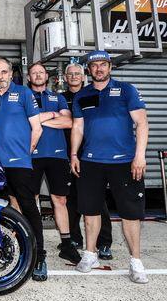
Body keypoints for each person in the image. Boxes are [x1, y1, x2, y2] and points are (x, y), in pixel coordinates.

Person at [70, 51, 149, 283]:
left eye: (103, 64)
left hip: (124, 162)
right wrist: (74, 154)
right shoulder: (82, 95)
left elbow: (142, 123)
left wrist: (140, 156)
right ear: (89, 69)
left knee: (130, 214)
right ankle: (90, 254)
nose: (99, 68)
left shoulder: (126, 90)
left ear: (110, 67)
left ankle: (136, 262)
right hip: (91, 162)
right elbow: (77, 127)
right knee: (90, 211)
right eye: (94, 65)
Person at [0, 57, 47, 281]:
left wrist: (26, 152)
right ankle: (1, 252)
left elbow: (37, 128)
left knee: (29, 209)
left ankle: (39, 257)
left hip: (19, 163)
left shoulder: (24, 93)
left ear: (11, 74)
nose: (0, 76)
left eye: (4, 72)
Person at [27, 62, 81, 264]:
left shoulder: (57, 98)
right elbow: (22, 122)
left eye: (41, 72)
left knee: (60, 200)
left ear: (46, 76)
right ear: (29, 77)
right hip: (30, 156)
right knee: (31, 200)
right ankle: (33, 243)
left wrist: (38, 120)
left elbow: (68, 122)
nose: (38, 75)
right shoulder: (24, 96)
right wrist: (53, 115)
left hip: (57, 156)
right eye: (34, 73)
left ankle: (66, 245)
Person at [62, 63, 113, 258]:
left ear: (83, 76)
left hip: (92, 154)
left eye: (77, 73)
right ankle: (75, 238)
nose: (74, 76)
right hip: (69, 154)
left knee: (97, 200)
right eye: (70, 74)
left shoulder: (92, 94)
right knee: (71, 198)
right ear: (65, 78)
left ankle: (104, 243)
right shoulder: (61, 98)